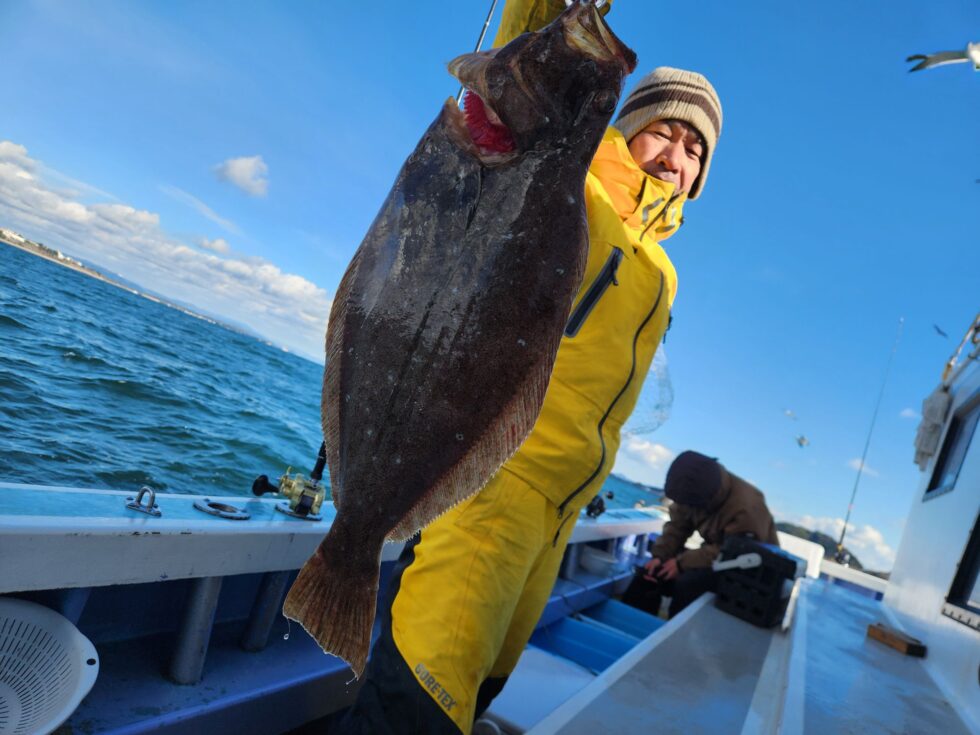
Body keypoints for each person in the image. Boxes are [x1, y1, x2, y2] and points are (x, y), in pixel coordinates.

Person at [339, 3, 723, 733]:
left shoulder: (662, 272)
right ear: (626, 127)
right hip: (489, 496)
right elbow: (522, 66)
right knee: (415, 705)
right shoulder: (567, 177)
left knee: (475, 695)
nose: (677, 156)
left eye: (695, 150)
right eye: (665, 132)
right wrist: (562, 17)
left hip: (554, 521)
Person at [623, 451, 780, 618]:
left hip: (750, 573)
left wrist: (681, 563)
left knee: (688, 584)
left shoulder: (747, 508)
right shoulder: (690, 490)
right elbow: (677, 526)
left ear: (707, 499)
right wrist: (660, 556)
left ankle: (676, 634)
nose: (683, 505)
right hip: (716, 558)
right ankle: (638, 630)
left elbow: (736, 554)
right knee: (650, 575)